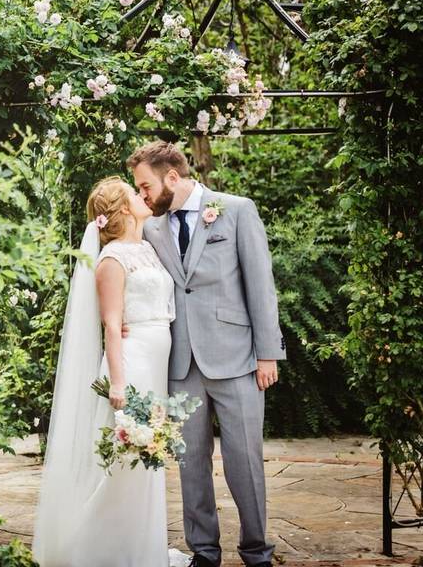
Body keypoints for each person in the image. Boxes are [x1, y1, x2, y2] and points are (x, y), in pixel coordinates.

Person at [128, 140, 285, 567]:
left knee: (244, 461)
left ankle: (257, 552)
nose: (141, 194)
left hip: (237, 360)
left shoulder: (236, 210)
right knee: (189, 464)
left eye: (145, 185)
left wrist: (267, 353)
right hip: (180, 364)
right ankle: (204, 552)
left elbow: (261, 285)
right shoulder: (152, 227)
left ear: (172, 177)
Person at [33, 176, 189, 567]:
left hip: (156, 363)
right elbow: (111, 325)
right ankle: (99, 550)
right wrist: (118, 383)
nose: (143, 196)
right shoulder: (111, 260)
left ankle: (143, 549)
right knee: (127, 460)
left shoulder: (148, 249)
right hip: (132, 366)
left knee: (147, 460)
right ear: (123, 211)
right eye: (135, 194)